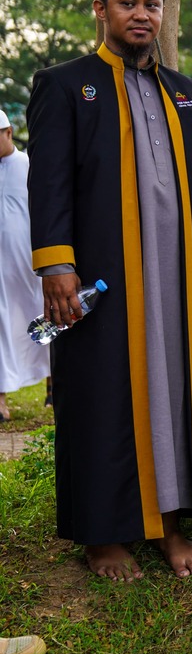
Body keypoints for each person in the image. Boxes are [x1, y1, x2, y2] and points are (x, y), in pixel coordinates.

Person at [26, 0, 192, 580]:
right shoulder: (64, 84)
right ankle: (103, 537)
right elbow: (50, 183)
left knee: (176, 393)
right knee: (100, 394)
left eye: (151, 4)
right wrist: (56, 265)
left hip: (174, 281)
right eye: (127, 4)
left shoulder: (184, 91)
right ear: (101, 8)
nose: (141, 15)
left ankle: (170, 525)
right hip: (99, 279)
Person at [0, 111, 49, 422]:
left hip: (28, 268)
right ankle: (1, 400)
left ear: (8, 132)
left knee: (44, 324)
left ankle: (53, 388)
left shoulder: (32, 166)